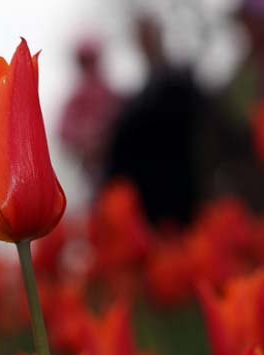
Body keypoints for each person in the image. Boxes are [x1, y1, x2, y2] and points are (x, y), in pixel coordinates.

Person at [106, 16, 204, 226]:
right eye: (142, 37)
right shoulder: (135, 100)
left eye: (148, 35)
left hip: (182, 180)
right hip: (150, 194)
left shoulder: (179, 80)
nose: (145, 42)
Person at [58, 37, 122, 186]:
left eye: (90, 60)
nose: (88, 65)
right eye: (84, 61)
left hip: (115, 163)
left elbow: (121, 120)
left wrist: (103, 136)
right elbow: (63, 131)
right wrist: (83, 141)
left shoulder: (109, 93)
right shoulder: (75, 98)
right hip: (88, 168)